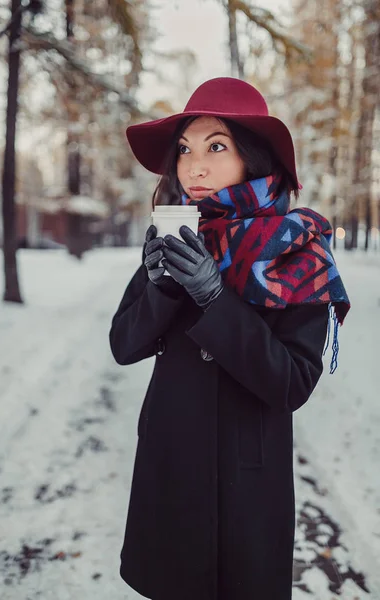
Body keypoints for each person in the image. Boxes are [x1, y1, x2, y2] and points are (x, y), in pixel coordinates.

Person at [109, 77, 350, 600]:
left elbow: (292, 384)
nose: (194, 166)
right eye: (185, 149)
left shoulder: (299, 252)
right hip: (170, 468)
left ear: (254, 159)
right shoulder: (175, 237)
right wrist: (159, 290)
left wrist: (217, 299)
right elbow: (123, 346)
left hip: (247, 485)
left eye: (217, 147)